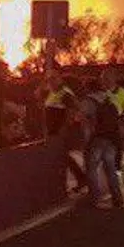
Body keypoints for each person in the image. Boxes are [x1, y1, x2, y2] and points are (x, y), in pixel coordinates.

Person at [40, 65, 85, 194]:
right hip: (51, 131)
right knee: (61, 157)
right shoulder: (51, 93)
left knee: (60, 158)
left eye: (53, 79)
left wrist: (65, 129)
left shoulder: (65, 93)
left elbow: (74, 110)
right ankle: (80, 178)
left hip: (60, 132)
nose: (50, 82)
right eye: (48, 79)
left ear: (59, 79)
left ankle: (75, 180)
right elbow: (37, 96)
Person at [83, 78, 124, 209]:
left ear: (88, 88)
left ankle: (94, 198)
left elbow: (83, 119)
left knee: (91, 168)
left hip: (97, 139)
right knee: (110, 169)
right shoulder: (109, 99)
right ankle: (117, 198)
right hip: (111, 138)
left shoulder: (88, 101)